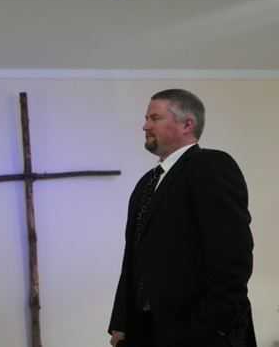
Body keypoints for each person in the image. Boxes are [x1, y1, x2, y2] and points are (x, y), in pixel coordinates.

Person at [108, 89, 256, 347]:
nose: (145, 126)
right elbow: (133, 257)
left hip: (198, 332)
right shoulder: (146, 183)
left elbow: (233, 252)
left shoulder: (210, 164)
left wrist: (212, 324)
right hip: (147, 330)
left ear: (187, 124)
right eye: (146, 118)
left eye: (155, 118)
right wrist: (121, 324)